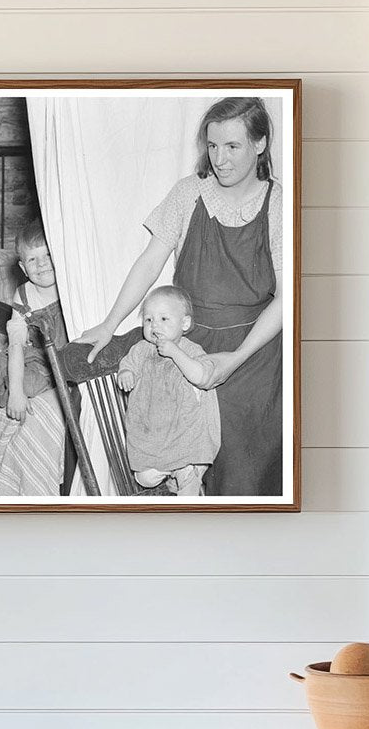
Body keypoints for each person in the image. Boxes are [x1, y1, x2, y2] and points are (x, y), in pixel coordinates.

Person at [80, 96, 283, 497]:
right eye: (212, 146)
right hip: (185, 348)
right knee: (180, 468)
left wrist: (235, 359)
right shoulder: (189, 193)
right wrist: (109, 324)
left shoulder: (279, 203)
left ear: (260, 144)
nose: (219, 159)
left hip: (255, 356)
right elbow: (150, 261)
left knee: (245, 474)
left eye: (232, 146)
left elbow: (289, 297)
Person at [0, 220, 71, 496]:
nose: (42, 264)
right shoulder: (23, 294)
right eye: (32, 259)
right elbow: (15, 346)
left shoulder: (72, 289)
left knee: (38, 386)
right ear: (23, 267)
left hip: (64, 360)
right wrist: (15, 393)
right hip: (33, 357)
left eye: (47, 255)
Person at [117, 285, 220, 496]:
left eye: (164, 319)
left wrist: (174, 352)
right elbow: (128, 365)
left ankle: (186, 475)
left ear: (184, 323)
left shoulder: (191, 350)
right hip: (152, 430)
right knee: (144, 478)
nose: (154, 325)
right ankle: (173, 471)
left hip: (182, 429)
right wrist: (125, 374)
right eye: (148, 320)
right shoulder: (141, 349)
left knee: (188, 467)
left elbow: (199, 374)